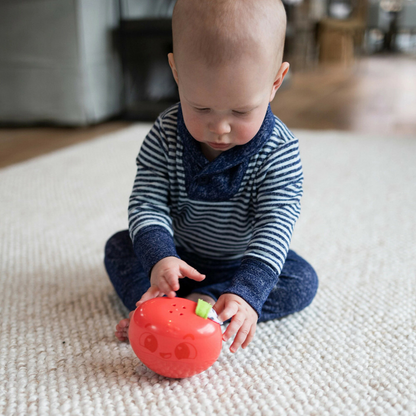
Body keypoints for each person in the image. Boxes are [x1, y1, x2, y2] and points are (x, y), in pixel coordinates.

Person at [104, 0, 318, 354]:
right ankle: (155, 306)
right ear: (176, 72)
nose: (219, 128)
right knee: (119, 247)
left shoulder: (279, 151)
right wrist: (160, 257)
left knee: (301, 281)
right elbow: (147, 201)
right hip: (178, 255)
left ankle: (217, 303)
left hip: (239, 261)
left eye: (240, 110)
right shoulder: (165, 134)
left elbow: (274, 226)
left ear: (275, 82)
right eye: (200, 107)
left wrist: (248, 291)